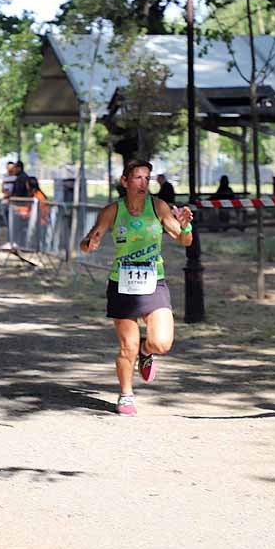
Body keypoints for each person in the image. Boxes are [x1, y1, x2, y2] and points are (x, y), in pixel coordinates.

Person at [79, 159, 194, 416]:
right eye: (138, 178)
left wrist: (186, 224)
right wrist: (90, 243)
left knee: (162, 343)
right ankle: (126, 394)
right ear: (125, 182)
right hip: (122, 284)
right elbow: (87, 242)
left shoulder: (158, 207)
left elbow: (185, 240)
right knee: (126, 345)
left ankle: (146, 350)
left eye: (147, 178)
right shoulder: (112, 210)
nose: (144, 183)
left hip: (154, 282)